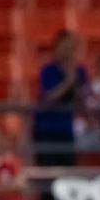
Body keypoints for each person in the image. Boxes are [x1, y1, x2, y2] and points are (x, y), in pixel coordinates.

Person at [33, 30, 88, 166]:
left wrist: (75, 84)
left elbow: (82, 102)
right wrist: (68, 82)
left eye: (70, 48)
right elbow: (48, 99)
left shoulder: (80, 71)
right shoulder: (48, 70)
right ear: (56, 48)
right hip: (46, 129)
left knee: (68, 171)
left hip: (68, 130)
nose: (67, 52)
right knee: (48, 171)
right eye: (64, 48)